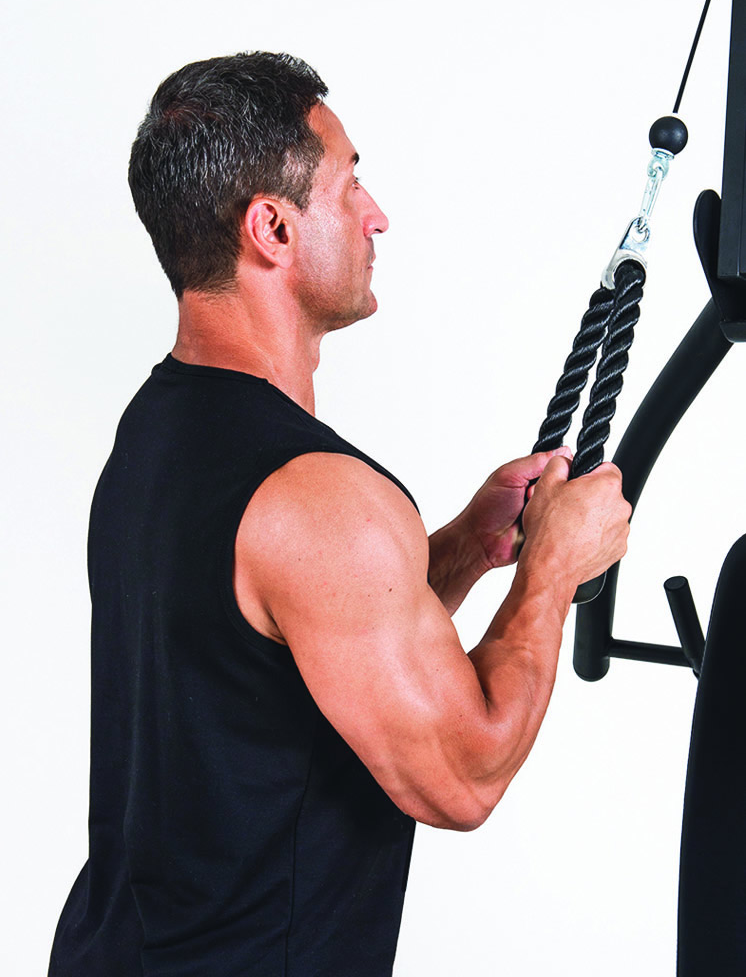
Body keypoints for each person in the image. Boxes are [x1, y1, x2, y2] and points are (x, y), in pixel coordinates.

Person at [47, 51, 631, 977]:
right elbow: (464, 777)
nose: (376, 213)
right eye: (350, 182)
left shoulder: (155, 430)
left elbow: (283, 651)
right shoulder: (321, 500)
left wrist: (462, 551)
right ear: (272, 228)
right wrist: (554, 569)